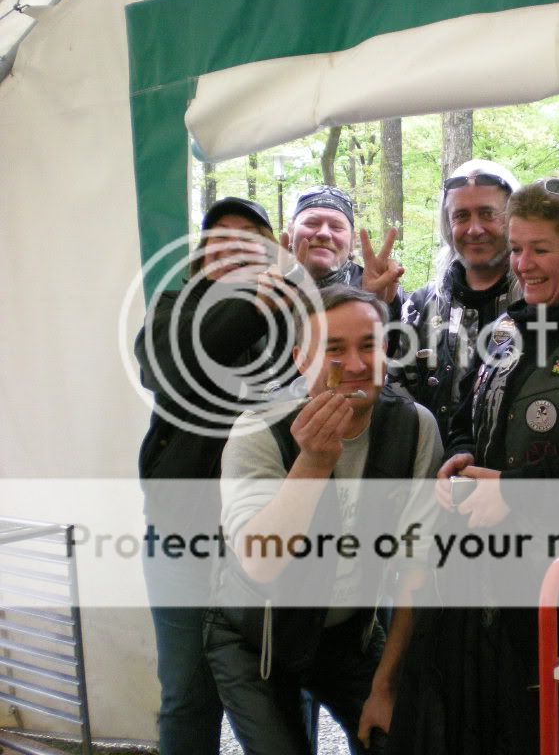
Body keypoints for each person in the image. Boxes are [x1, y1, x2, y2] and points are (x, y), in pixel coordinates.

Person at [388, 178, 559, 755]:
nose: (523, 263)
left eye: (540, 249)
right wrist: (460, 456)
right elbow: (467, 415)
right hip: (483, 573)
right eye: (516, 248)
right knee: (483, 721)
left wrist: (516, 490)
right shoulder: (507, 328)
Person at [204, 285, 442, 755]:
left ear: (387, 349)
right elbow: (260, 563)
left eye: (369, 345)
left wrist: (386, 686)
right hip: (255, 637)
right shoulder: (259, 429)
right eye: (334, 350)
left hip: (346, 633)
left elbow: (416, 571)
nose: (355, 365)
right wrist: (312, 463)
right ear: (300, 360)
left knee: (402, 740)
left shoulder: (414, 427)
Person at [136, 197, 292, 755]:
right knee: (187, 692)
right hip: (184, 533)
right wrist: (256, 304)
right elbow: (176, 368)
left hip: (270, 536)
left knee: (278, 687)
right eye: (220, 241)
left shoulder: (294, 318)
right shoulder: (170, 310)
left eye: (251, 240)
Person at [390, 159, 521, 443]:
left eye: (488, 213)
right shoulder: (421, 307)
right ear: (448, 226)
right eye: (461, 216)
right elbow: (395, 399)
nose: (474, 229)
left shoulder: (537, 303)